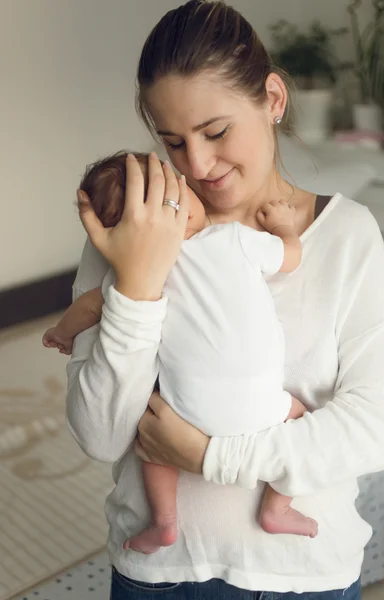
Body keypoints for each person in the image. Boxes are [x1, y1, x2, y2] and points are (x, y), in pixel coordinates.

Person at [66, 1, 384, 598]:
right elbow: (100, 436)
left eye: (216, 132)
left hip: (304, 579)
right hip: (156, 579)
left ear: (273, 99)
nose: (197, 165)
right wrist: (137, 288)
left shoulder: (346, 237)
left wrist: (213, 458)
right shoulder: (134, 229)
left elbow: (380, 428)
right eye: (172, 142)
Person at [45, 150, 319, 554]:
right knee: (300, 418)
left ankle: (164, 523)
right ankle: (277, 508)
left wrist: (60, 333)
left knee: (151, 443)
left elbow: (87, 308)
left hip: (184, 415)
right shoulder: (235, 239)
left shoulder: (140, 271)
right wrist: (282, 227)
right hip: (265, 410)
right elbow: (290, 258)